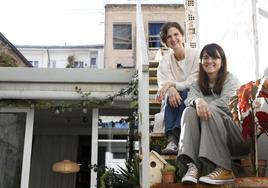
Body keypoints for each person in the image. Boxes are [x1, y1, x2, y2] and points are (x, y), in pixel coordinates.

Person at [177, 43, 250, 185]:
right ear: (201, 62)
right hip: (207, 136)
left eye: (215, 57)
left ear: (222, 61)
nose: (209, 61)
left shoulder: (231, 80)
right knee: (189, 110)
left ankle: (224, 168)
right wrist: (198, 101)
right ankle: (193, 166)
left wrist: (205, 105)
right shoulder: (197, 84)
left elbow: (227, 103)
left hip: (235, 136)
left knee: (210, 109)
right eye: (205, 58)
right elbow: (189, 99)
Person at [156, 22, 199, 155]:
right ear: (166, 42)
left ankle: (176, 137)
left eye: (176, 34)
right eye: (169, 37)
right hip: (172, 101)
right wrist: (171, 89)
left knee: (186, 92)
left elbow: (193, 81)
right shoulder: (165, 60)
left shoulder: (196, 54)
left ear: (182, 36)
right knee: (172, 95)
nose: (173, 39)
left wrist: (173, 85)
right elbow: (164, 82)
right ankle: (172, 141)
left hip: (194, 95)